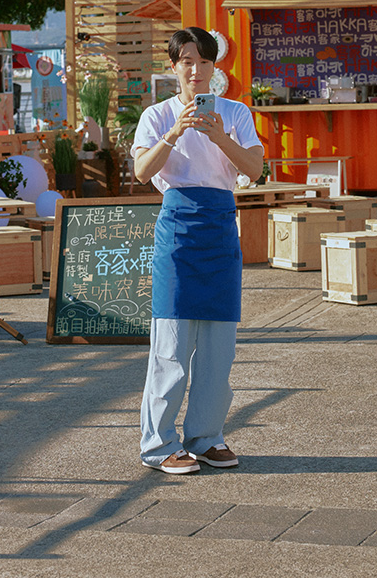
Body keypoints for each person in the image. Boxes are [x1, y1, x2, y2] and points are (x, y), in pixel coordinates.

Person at [131, 27, 264, 474]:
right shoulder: (155, 115)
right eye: (187, 61)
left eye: (204, 61)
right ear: (173, 67)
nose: (196, 70)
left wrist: (220, 136)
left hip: (221, 230)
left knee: (218, 349)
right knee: (170, 347)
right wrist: (174, 132)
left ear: (214, 67)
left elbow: (254, 170)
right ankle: (158, 444)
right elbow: (142, 172)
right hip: (177, 232)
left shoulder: (236, 113)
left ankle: (207, 438)